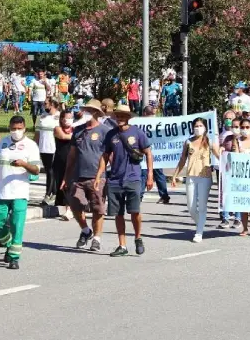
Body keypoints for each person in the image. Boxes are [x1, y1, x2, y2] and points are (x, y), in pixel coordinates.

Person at [97, 104, 153, 256]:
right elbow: (105, 156)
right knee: (118, 213)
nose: (120, 118)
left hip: (133, 178)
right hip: (115, 179)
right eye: (118, 116)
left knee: (134, 211)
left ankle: (138, 237)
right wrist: (99, 175)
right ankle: (122, 245)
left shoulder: (138, 133)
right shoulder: (111, 135)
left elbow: (148, 153)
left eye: (123, 116)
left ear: (128, 118)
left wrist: (149, 175)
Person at [0, 115, 41, 270]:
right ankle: (10, 244)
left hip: (20, 192)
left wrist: (24, 164)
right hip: (2, 191)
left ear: (24, 128)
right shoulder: (4, 142)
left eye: (19, 129)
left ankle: (14, 257)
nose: (16, 131)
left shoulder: (30, 145)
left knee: (16, 225)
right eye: (13, 128)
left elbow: (36, 170)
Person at [63, 99, 110, 252]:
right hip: (78, 176)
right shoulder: (78, 131)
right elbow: (71, 155)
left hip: (98, 177)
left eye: (90, 110)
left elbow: (109, 155)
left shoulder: (104, 131)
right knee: (75, 205)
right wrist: (66, 176)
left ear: (96, 113)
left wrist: (106, 175)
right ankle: (85, 230)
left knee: (98, 208)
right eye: (85, 109)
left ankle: (96, 238)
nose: (85, 112)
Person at [171, 117, 220, 242]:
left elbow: (220, 156)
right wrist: (175, 175)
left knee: (202, 206)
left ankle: (199, 233)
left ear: (205, 128)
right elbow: (182, 159)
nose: (198, 128)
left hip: (205, 177)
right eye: (196, 126)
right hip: (191, 176)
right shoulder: (188, 142)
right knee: (191, 207)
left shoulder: (209, 141)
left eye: (200, 126)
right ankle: (200, 224)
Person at [223, 118, 250, 235]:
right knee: (244, 203)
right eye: (243, 127)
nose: (245, 130)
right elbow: (235, 156)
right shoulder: (237, 140)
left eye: (247, 127)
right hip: (242, 176)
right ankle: (245, 228)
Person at [139, 105, 171, 204]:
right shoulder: (159, 123)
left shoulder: (140, 124)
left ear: (144, 113)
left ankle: (139, 195)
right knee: (159, 174)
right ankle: (164, 196)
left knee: (143, 173)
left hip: (145, 152)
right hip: (157, 153)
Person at [34, 99, 60, 204]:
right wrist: (35, 146)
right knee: (49, 169)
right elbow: (37, 133)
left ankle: (48, 194)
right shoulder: (42, 116)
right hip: (43, 147)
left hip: (53, 147)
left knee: (51, 171)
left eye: (46, 103)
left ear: (53, 104)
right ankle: (54, 192)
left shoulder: (59, 116)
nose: (44, 105)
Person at [52, 109, 75, 220]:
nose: (69, 120)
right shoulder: (58, 129)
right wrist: (76, 135)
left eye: (71, 117)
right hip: (60, 159)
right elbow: (63, 137)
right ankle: (60, 205)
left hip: (72, 160)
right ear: (61, 119)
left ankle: (69, 209)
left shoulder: (75, 129)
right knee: (60, 183)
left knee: (69, 184)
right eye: (67, 118)